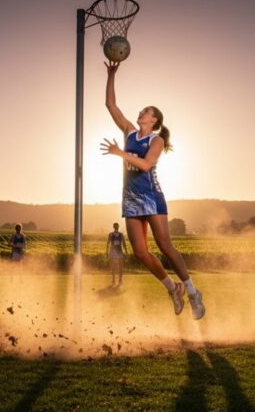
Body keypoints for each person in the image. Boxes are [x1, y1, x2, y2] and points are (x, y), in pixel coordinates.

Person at [100, 60, 205, 320]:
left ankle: (192, 291)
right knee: (139, 252)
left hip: (151, 197)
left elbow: (146, 165)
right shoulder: (130, 132)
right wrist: (112, 75)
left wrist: (119, 153)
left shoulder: (155, 140)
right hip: (130, 199)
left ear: (154, 119)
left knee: (165, 245)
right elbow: (111, 105)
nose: (141, 113)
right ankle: (172, 288)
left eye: (145, 111)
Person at [106, 222, 128, 286]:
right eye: (116, 226)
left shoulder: (117, 234)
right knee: (118, 266)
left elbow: (108, 244)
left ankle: (115, 280)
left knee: (116, 266)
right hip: (115, 251)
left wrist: (107, 251)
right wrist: (126, 251)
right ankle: (117, 280)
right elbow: (124, 244)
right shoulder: (116, 234)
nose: (116, 227)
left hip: (115, 251)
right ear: (117, 227)